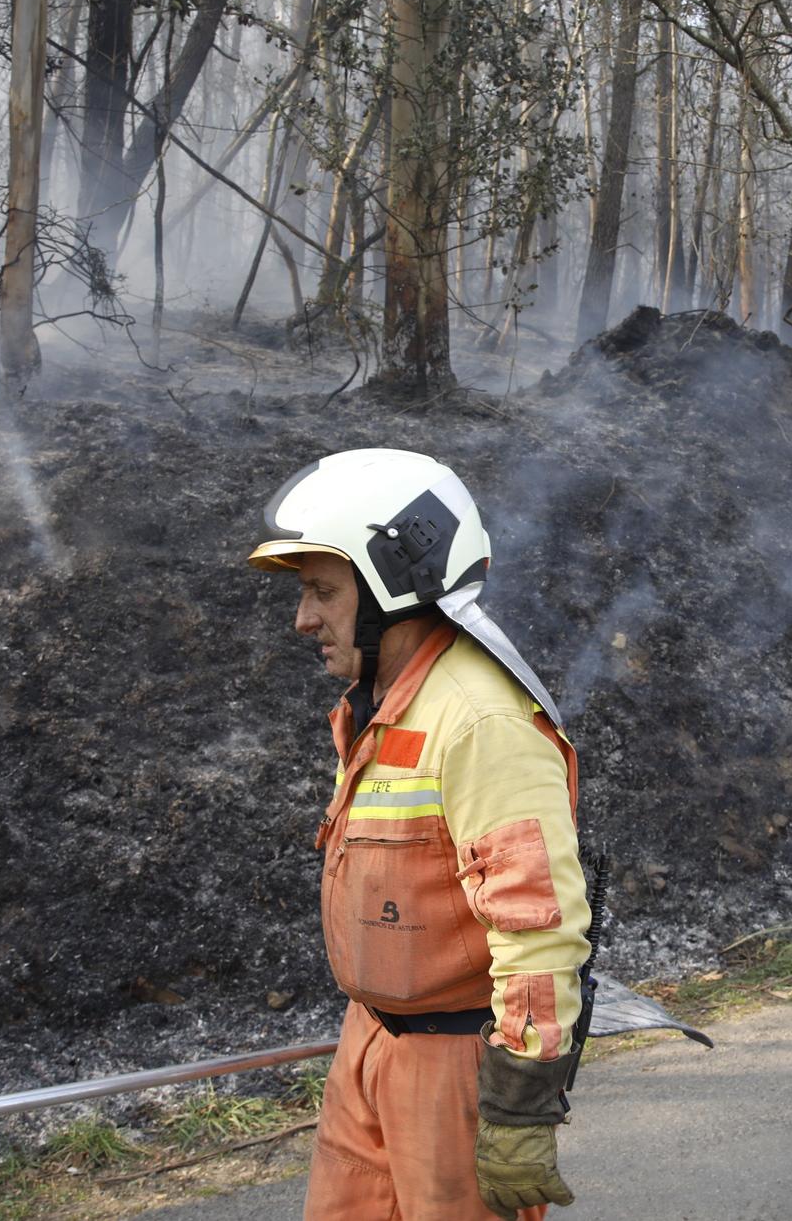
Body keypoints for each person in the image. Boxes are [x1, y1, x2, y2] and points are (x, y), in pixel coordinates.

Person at [247, 448, 591, 1220]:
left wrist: (519, 1108)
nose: (304, 619)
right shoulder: (386, 708)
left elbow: (537, 928)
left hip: (454, 1069)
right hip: (369, 1043)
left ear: (393, 585)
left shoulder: (477, 720)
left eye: (323, 592)